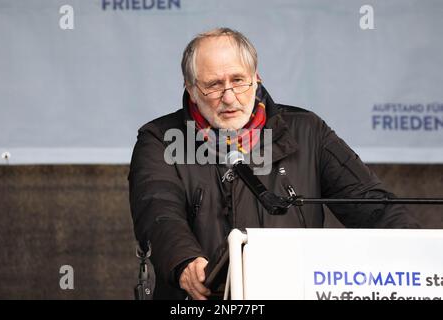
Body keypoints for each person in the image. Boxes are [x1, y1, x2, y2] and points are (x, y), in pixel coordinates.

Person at [128, 27, 420, 300]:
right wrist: (184, 260)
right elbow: (158, 210)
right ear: (191, 89)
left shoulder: (308, 131)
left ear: (256, 78)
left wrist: (422, 254)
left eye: (238, 80)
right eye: (214, 85)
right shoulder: (160, 139)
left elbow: (372, 206)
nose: (229, 98)